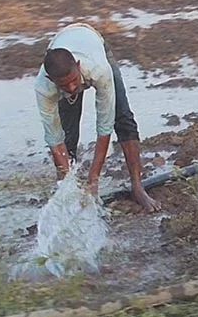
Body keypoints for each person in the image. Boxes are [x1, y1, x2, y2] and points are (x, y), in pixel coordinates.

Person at [34, 23, 161, 212]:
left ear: (78, 67)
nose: (71, 88)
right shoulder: (43, 87)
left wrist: (93, 180)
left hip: (92, 40)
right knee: (67, 135)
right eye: (63, 85)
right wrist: (72, 187)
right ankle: (66, 195)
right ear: (52, 80)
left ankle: (137, 187)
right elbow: (54, 140)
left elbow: (104, 127)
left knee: (123, 118)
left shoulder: (99, 69)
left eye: (73, 81)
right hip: (60, 46)